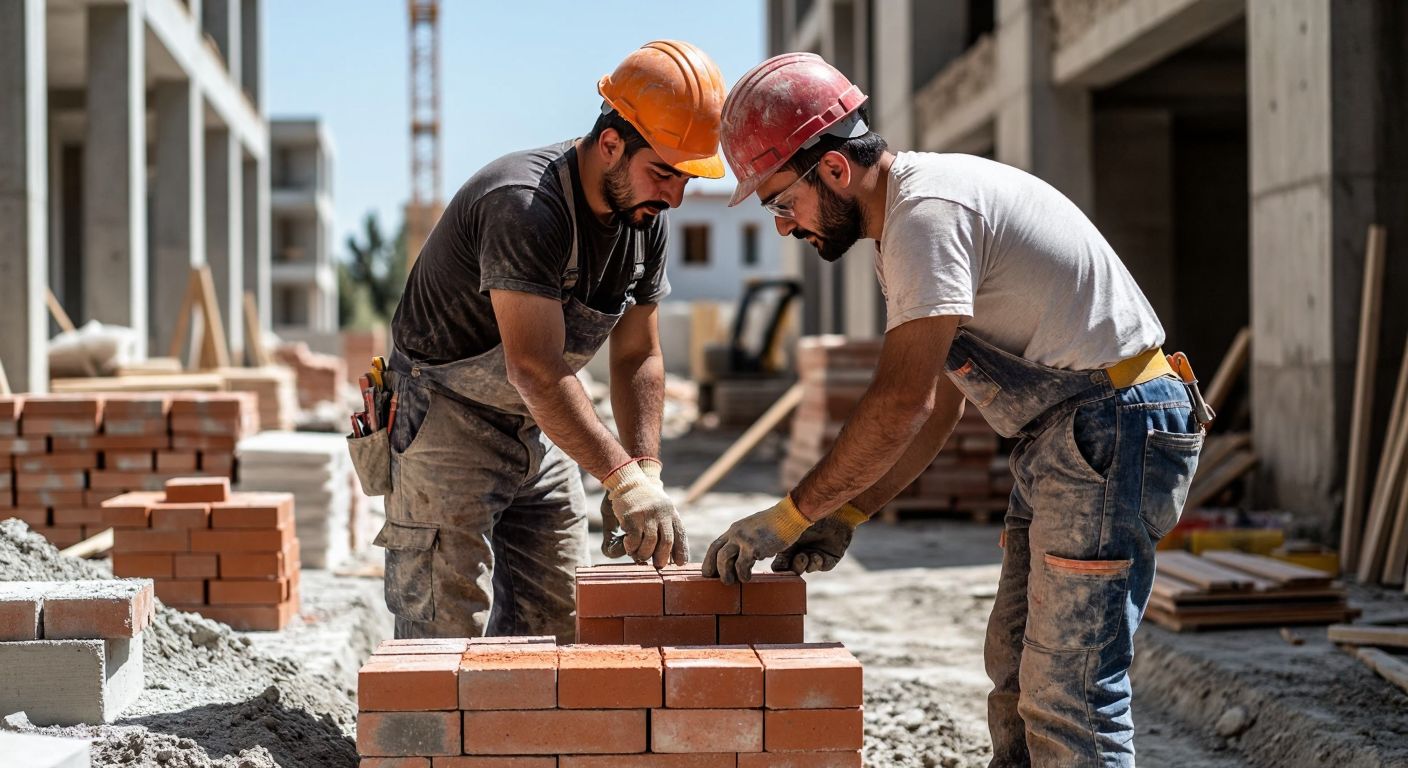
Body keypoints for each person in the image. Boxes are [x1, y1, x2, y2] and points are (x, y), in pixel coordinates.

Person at [702, 52, 1205, 767]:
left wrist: (786, 516)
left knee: (1072, 692)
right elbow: (937, 404)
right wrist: (846, 513)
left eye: (782, 202)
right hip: (1071, 434)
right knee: (1015, 663)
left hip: (1111, 429)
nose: (784, 226)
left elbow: (900, 400)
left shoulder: (927, 216)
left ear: (835, 170)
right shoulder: (902, 224)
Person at [377, 40, 727, 642]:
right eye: (664, 172)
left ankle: (523, 737)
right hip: (446, 421)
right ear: (611, 143)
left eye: (687, 178)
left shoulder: (644, 224)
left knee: (562, 618)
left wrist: (644, 470)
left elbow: (639, 353)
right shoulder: (524, 204)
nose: (674, 196)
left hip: (539, 426)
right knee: (444, 633)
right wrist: (617, 479)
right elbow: (536, 367)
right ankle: (429, 741)